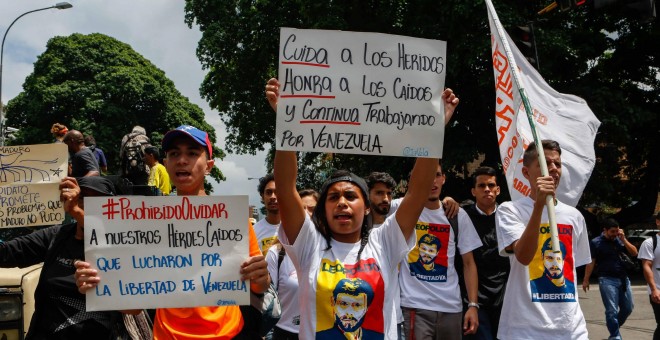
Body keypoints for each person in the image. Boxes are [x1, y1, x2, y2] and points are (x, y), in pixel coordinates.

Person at [266, 77, 459, 338]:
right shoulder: (308, 245)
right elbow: (287, 187)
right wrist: (286, 123)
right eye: (332, 198)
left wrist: (435, 131)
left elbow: (417, 191)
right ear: (323, 209)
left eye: (350, 196)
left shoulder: (385, 241)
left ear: (367, 208)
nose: (342, 202)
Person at [75, 125, 270, 339]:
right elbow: (133, 308)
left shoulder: (232, 220)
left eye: (192, 153)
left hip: (230, 334)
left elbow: (258, 287)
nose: (182, 160)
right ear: (166, 164)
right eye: (174, 154)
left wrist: (262, 275)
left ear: (209, 166)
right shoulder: (147, 223)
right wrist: (99, 285)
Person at [0, 176, 124, 339]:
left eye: (99, 200)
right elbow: (6, 253)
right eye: (83, 197)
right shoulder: (56, 236)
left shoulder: (121, 244)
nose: (88, 204)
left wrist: (76, 211)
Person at [495, 139, 591, 339]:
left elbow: (574, 266)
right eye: (545, 163)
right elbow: (523, 256)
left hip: (571, 329)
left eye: (557, 163)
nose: (553, 169)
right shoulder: (509, 210)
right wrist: (539, 206)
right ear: (526, 172)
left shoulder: (574, 216)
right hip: (525, 330)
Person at [396, 162, 481, 340]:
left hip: (452, 308)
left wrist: (473, 305)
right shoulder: (399, 208)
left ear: (443, 179)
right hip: (414, 306)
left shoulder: (457, 215)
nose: (432, 181)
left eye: (437, 175)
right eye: (427, 175)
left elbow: (468, 263)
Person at [463, 166, 510, 340]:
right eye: (481, 186)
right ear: (473, 191)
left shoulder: (509, 216)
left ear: (498, 190)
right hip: (475, 300)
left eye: (491, 185)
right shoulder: (462, 216)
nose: (487, 189)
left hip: (505, 299)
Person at [266, 189, 318, 340]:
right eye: (300, 209)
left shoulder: (329, 252)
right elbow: (267, 297)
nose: (307, 215)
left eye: (312, 210)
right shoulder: (276, 254)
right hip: (284, 332)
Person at [582, 217, 637, 340]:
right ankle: (615, 335)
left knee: (628, 308)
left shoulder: (620, 240)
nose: (615, 234)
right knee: (611, 310)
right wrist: (586, 279)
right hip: (607, 280)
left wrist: (624, 239)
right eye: (612, 232)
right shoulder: (596, 242)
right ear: (605, 230)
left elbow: (634, 253)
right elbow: (591, 262)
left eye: (617, 231)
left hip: (624, 279)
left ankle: (613, 326)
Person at [639, 213, 660, 340]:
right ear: (658, 222)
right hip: (658, 289)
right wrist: (654, 289)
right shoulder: (650, 243)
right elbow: (646, 265)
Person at [255, 173, 281, 255]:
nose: (273, 197)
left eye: (277, 192)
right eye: (269, 192)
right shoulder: (253, 232)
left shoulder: (294, 229)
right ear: (263, 197)